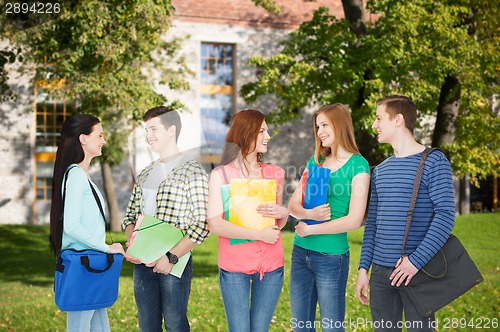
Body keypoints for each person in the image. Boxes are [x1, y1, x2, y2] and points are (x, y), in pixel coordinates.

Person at [355, 95, 455, 331]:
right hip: (380, 275)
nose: (374, 125)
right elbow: (373, 225)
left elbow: (445, 216)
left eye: (379, 118)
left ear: (398, 119)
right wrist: (363, 269)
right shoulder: (379, 171)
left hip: (417, 272)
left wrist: (415, 262)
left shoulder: (434, 161)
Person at [122, 106, 209, 332]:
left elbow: (202, 224)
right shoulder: (145, 172)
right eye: (146, 129)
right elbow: (129, 216)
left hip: (173, 263)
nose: (148, 135)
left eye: (153, 129)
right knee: (147, 326)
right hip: (142, 265)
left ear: (171, 130)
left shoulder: (192, 171)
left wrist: (170, 257)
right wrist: (134, 246)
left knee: (175, 325)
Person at [288, 104, 371, 332]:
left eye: (324, 125)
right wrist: (308, 215)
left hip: (331, 258)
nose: (320, 131)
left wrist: (312, 228)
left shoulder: (358, 165)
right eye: (317, 126)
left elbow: (354, 220)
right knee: (301, 327)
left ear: (340, 124)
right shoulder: (315, 161)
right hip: (300, 253)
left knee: (332, 328)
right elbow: (293, 204)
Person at [206, 109, 289, 332]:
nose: (268, 136)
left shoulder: (274, 173)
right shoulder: (220, 175)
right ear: (246, 133)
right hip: (235, 267)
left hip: (271, 266)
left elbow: (277, 223)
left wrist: (283, 213)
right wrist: (258, 235)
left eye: (267, 131)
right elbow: (214, 223)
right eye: (262, 131)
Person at [49, 114, 125, 332]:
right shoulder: (75, 175)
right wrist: (106, 247)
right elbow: (71, 226)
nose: (103, 140)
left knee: (100, 328)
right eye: (99, 135)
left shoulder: (82, 175)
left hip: (91, 266)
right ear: (83, 139)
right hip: (84, 266)